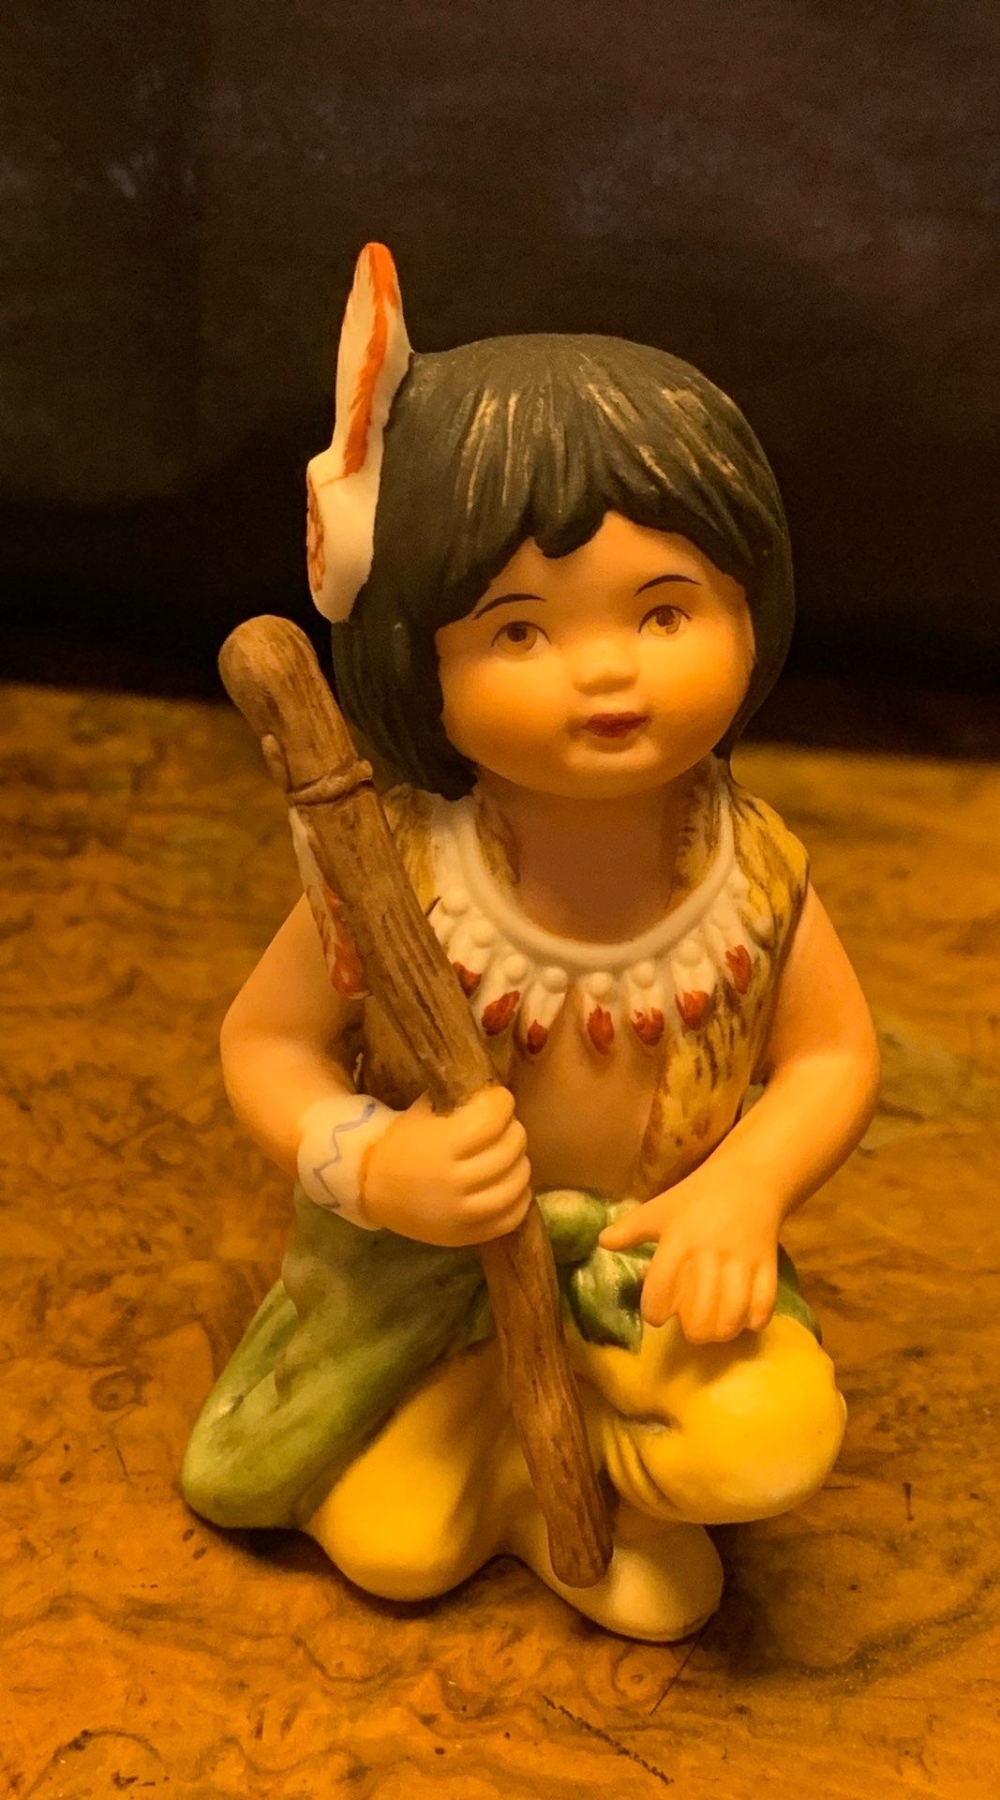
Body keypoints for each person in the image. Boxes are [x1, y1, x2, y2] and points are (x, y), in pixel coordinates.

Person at [182, 245, 879, 1640]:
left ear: (751, 611)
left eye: (664, 611)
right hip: (434, 1288)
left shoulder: (751, 875)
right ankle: (499, 1458)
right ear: (417, 655)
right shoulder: (395, 877)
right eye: (519, 631)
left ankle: (598, 1469)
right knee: (395, 1548)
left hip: (651, 1272)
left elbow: (832, 1059)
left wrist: (743, 1192)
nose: (607, 669)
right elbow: (263, 1044)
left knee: (766, 1448)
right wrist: (375, 1166)